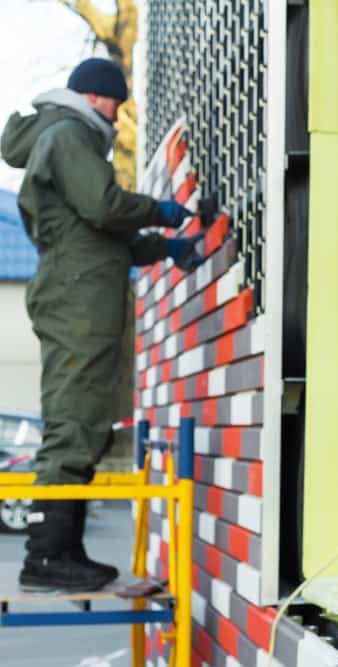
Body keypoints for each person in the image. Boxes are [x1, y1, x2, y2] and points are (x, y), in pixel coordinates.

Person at [1, 58, 205, 592]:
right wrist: (159, 209)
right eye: (116, 101)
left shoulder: (68, 140)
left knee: (85, 423)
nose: (120, 114)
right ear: (96, 96)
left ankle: (63, 553)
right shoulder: (69, 134)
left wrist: (167, 246)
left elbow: (104, 235)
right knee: (73, 425)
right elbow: (104, 205)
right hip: (77, 304)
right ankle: (45, 559)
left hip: (82, 299)